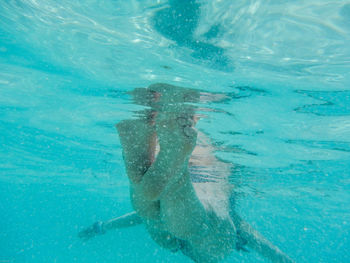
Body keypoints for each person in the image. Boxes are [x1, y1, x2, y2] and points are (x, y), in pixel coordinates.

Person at [79, 83, 295, 263]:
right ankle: (176, 169)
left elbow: (135, 217)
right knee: (200, 224)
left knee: (150, 213)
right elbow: (266, 248)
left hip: (164, 228)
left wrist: (103, 226)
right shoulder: (234, 218)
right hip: (191, 234)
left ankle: (154, 164)